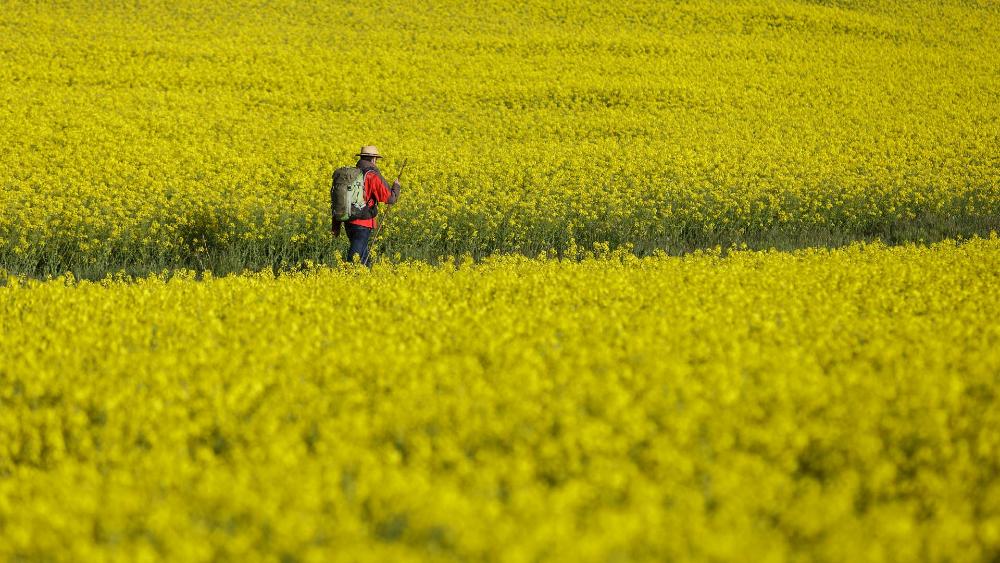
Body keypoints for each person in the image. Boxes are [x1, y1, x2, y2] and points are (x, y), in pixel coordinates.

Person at [332, 145, 401, 266]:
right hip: (363, 223)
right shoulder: (371, 175)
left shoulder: (351, 174)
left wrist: (336, 225)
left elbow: (339, 198)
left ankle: (365, 278)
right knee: (355, 258)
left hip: (348, 219)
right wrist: (396, 187)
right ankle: (349, 277)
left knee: (363, 256)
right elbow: (389, 198)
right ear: (374, 159)